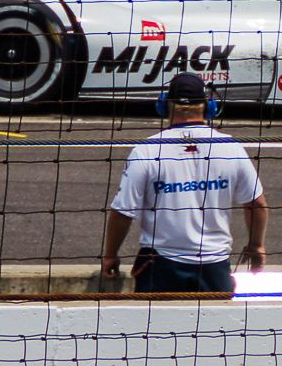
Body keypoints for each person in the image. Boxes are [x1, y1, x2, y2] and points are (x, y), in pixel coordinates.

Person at [101, 72, 268, 294]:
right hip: (214, 268)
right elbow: (257, 205)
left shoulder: (146, 151)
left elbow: (122, 212)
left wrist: (110, 255)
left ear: (163, 105)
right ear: (209, 106)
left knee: (154, 318)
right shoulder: (231, 148)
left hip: (160, 266)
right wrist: (256, 245)